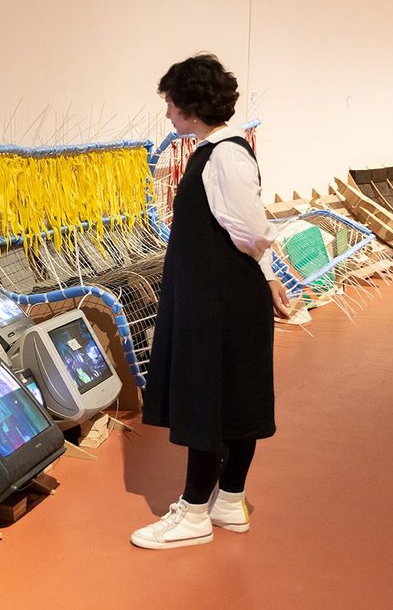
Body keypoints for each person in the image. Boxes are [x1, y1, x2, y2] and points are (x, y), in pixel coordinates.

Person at [131, 53, 291, 550]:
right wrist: (265, 277)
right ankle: (227, 503)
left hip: (219, 300)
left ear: (192, 106)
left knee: (210, 399)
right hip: (220, 294)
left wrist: (266, 275)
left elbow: (249, 229)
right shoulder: (215, 151)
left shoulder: (224, 154)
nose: (167, 114)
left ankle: (196, 512)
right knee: (232, 396)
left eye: (172, 104)